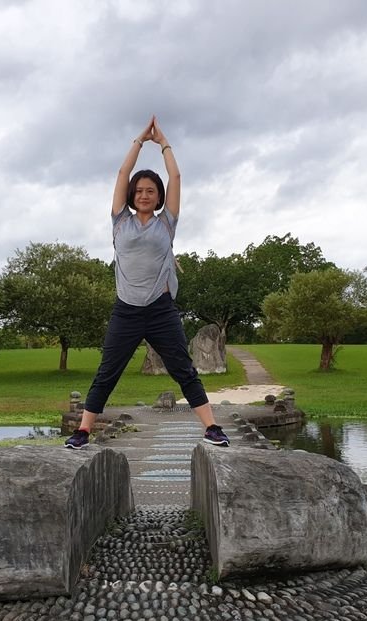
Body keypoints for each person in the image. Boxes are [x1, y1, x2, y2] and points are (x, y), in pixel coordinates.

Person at [65, 116, 230, 449]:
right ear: (132, 195)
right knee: (107, 373)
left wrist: (164, 142)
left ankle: (212, 428)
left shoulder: (166, 224)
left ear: (158, 198)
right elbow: (122, 174)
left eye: (150, 191)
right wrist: (139, 141)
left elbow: (176, 175)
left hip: (160, 310)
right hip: (126, 311)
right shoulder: (119, 221)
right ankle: (82, 432)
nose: (143, 195)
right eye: (139, 191)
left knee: (184, 370)